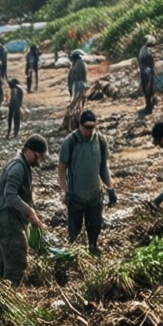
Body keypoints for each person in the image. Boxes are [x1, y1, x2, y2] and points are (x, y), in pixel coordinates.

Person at [57, 110, 117, 257]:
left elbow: (103, 167)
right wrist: (64, 191)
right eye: (86, 127)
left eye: (92, 127)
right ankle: (74, 254)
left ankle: (93, 249)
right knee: (74, 231)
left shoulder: (100, 140)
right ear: (80, 125)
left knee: (95, 227)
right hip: (76, 196)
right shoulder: (70, 141)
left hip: (95, 195)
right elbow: (62, 168)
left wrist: (110, 188)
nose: (89, 130)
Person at [0, 136, 47, 285]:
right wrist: (30, 212)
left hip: (6, 220)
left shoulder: (22, 164)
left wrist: (32, 214)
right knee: (17, 267)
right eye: (37, 156)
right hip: (8, 221)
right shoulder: (18, 167)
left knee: (4, 266)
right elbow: (10, 195)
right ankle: (10, 295)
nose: (39, 161)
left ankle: (2, 291)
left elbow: (23, 196)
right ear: (28, 151)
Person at [138, 37, 157, 114]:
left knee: (147, 89)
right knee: (150, 88)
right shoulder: (147, 50)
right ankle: (151, 104)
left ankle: (149, 107)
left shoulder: (143, 50)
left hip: (145, 71)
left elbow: (142, 62)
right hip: (149, 71)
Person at [66, 50, 88, 118]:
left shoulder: (79, 63)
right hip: (78, 82)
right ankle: (78, 110)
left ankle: (77, 111)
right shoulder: (77, 63)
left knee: (77, 98)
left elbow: (75, 74)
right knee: (79, 98)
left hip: (78, 83)